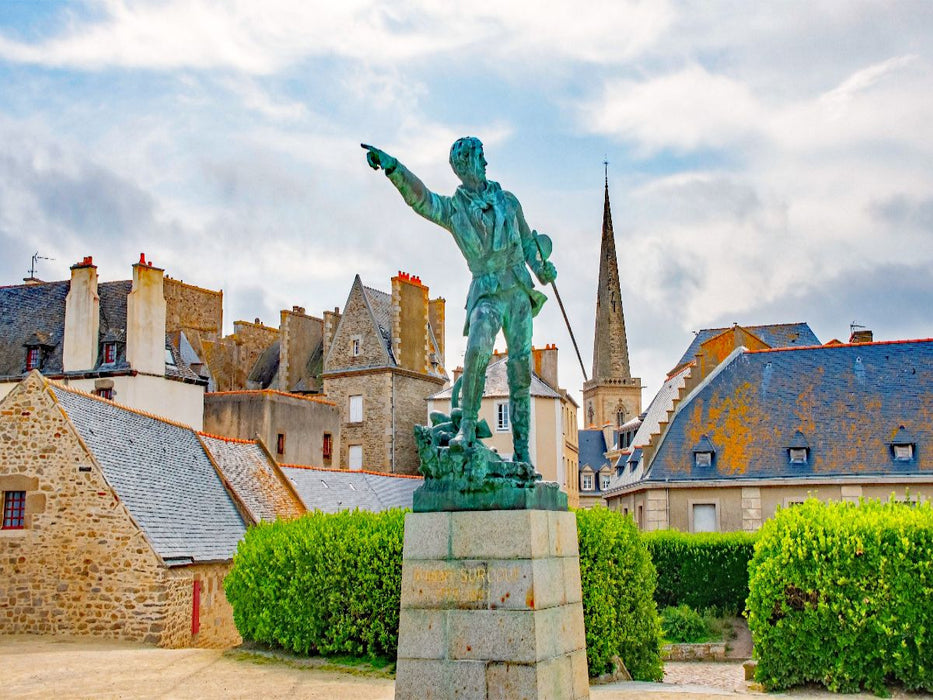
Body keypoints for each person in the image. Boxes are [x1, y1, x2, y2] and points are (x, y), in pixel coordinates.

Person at [363, 137, 556, 464]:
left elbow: (528, 244)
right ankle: (466, 427)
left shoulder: (509, 202)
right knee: (478, 348)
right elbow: (422, 200)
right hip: (486, 290)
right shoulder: (455, 209)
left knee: (521, 370)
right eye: (480, 157)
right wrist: (393, 168)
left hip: (517, 291)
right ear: (465, 165)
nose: (485, 163)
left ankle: (523, 452)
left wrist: (542, 269)